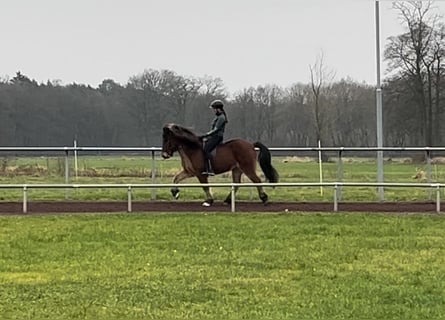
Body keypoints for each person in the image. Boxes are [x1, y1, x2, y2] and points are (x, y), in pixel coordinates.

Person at [199, 99, 228, 175]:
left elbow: (216, 129)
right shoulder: (218, 117)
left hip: (217, 137)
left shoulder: (221, 118)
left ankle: (210, 169)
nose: (214, 111)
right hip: (214, 136)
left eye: (214, 109)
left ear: (218, 109)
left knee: (206, 150)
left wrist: (206, 135)